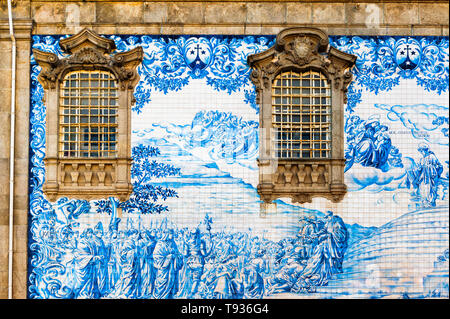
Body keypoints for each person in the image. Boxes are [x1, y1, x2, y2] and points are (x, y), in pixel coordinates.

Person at [153, 229, 183, 299]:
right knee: (161, 282)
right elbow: (156, 256)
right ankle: (159, 296)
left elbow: (177, 253)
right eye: (171, 234)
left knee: (171, 282)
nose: (172, 235)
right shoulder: (159, 244)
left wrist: (177, 256)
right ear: (166, 234)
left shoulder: (173, 243)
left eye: (172, 233)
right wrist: (168, 257)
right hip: (163, 268)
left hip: (172, 268)